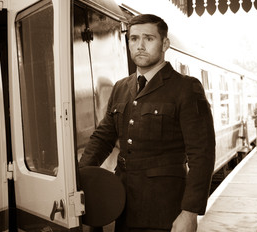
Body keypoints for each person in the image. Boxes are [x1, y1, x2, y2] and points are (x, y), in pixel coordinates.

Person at [79, 14, 216, 232]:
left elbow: (202, 154)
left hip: (165, 209)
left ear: (165, 44)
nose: (140, 46)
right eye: (134, 39)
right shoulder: (121, 87)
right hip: (124, 206)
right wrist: (78, 179)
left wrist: (190, 212)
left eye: (149, 39)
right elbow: (103, 137)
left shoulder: (186, 88)